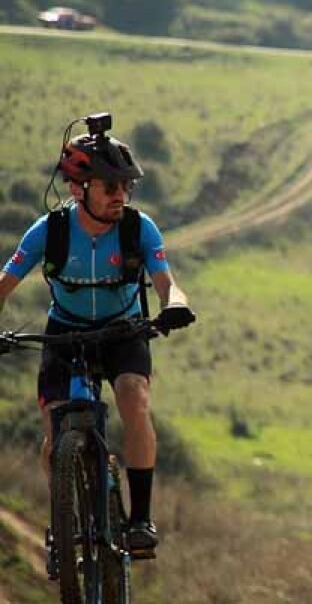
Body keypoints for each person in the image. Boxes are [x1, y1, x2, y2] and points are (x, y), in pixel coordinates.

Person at [0, 122, 195, 574]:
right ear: (77, 187)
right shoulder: (49, 231)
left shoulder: (137, 229)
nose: (120, 195)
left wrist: (176, 307)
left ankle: (140, 519)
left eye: (125, 186)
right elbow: (5, 283)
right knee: (55, 435)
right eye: (110, 186)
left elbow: (168, 285)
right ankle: (63, 528)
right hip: (64, 333)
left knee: (133, 396)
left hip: (122, 333)